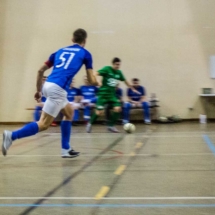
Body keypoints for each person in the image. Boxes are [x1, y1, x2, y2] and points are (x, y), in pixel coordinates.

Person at [2, 28, 97, 158]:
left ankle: (66, 149)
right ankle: (11, 136)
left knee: (69, 112)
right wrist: (98, 83)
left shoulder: (59, 51)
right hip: (58, 89)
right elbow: (91, 80)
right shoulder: (85, 54)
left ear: (72, 40)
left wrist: (38, 91)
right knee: (43, 124)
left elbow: (40, 71)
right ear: (84, 41)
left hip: (48, 85)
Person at [86, 57, 139, 133]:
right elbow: (95, 73)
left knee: (118, 108)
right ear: (113, 64)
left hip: (111, 95)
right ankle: (90, 123)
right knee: (99, 112)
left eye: (119, 65)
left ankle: (111, 126)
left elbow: (125, 81)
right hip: (103, 95)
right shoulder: (107, 69)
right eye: (117, 65)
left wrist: (132, 88)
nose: (118, 66)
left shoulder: (119, 72)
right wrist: (98, 82)